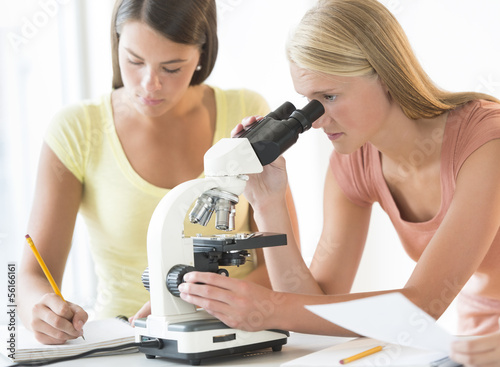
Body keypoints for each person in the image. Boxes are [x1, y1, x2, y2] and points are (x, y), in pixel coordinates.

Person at [178, 0, 500, 342]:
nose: (316, 120)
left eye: (329, 97)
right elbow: (319, 305)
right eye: (308, 101)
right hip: (480, 323)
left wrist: (269, 307)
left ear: (386, 75)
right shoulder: (354, 160)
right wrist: (267, 202)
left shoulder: (486, 143)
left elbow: (419, 307)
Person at [18, 0, 298, 345]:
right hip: (125, 342)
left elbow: (284, 261)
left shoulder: (245, 114)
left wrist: (193, 304)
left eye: (172, 68)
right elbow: (31, 275)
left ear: (202, 54)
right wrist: (40, 309)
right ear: (116, 43)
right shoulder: (77, 130)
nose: (150, 84)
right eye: (134, 61)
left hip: (233, 335)